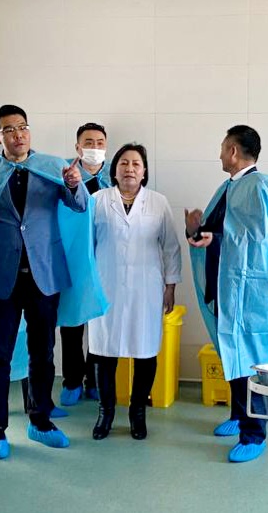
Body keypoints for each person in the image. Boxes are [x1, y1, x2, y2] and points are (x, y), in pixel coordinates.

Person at [0, 104, 107, 461]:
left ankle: (41, 421)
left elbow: (79, 206)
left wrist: (74, 185)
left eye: (23, 127)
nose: (18, 134)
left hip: (43, 276)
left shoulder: (52, 167)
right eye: (9, 129)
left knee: (43, 352)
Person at [186, 125, 268, 464]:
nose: (220, 154)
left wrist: (216, 237)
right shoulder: (228, 188)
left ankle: (254, 434)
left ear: (233, 151)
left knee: (253, 361)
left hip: (254, 294)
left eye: (223, 147)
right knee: (232, 354)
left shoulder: (263, 187)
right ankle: (238, 415)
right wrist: (198, 232)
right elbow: (219, 232)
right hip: (228, 289)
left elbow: (261, 240)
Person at [88, 143, 182, 440]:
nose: (130, 168)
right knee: (104, 353)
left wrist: (170, 286)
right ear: (114, 170)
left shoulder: (158, 202)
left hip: (146, 288)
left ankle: (137, 413)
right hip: (106, 286)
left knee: (145, 352)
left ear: (144, 172)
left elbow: (171, 247)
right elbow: (86, 246)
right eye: (124, 163)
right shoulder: (97, 200)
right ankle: (105, 413)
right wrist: (87, 286)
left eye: (136, 164)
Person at [59, 122, 111, 407]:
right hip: (73, 259)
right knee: (72, 322)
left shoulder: (114, 177)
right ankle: (72, 380)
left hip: (106, 259)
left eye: (100, 142)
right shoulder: (64, 175)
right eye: (88, 142)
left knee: (101, 323)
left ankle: (94, 380)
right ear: (77, 147)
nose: (95, 147)